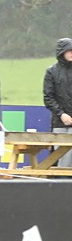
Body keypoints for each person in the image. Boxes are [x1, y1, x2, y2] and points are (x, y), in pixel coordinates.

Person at [42, 37, 72, 169]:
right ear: (61, 52)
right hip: (59, 122)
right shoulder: (51, 71)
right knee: (60, 159)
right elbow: (48, 97)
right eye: (69, 50)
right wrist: (62, 114)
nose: (71, 53)